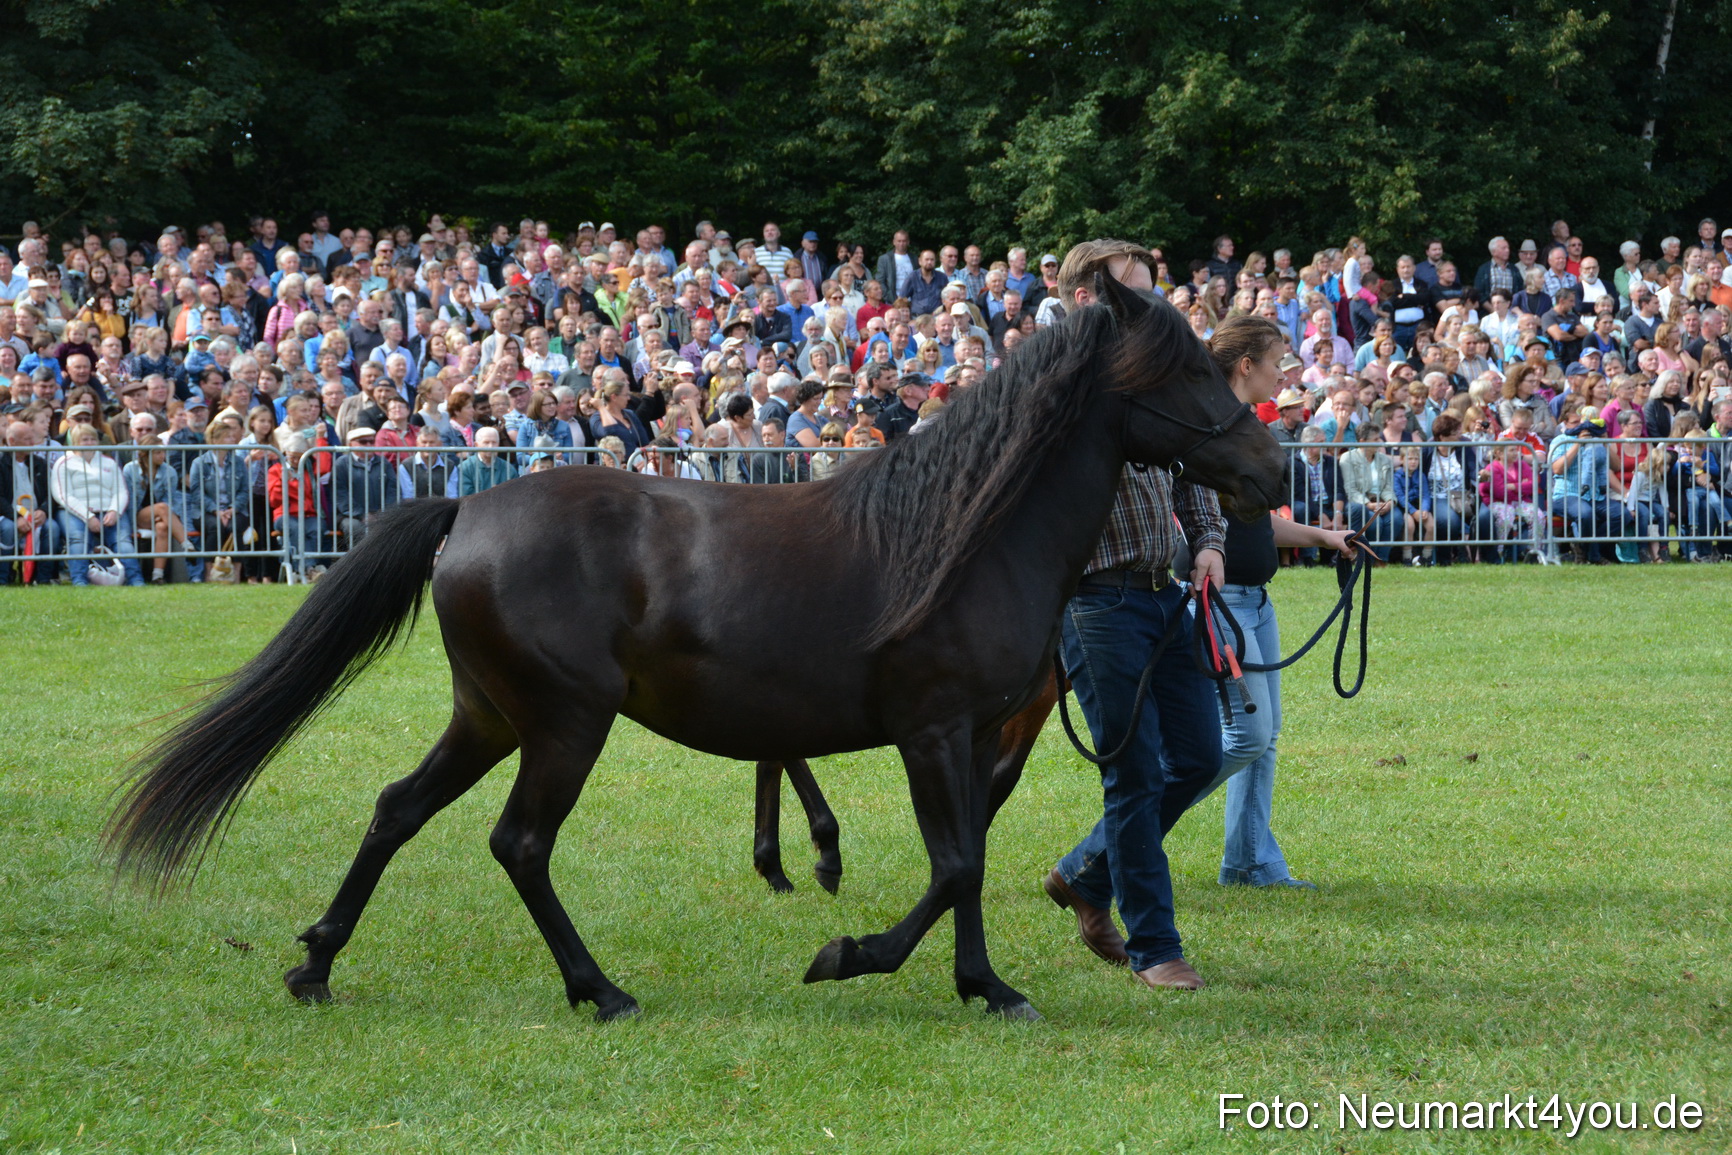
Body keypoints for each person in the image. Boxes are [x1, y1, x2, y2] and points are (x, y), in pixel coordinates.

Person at [1041, 238, 1226, 993]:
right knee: (1136, 772)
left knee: (1201, 755)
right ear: (1088, 299)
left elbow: (1194, 464)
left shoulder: (1151, 376)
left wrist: (1209, 541)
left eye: (1152, 293)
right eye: (1133, 294)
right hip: (1097, 599)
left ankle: (1087, 871)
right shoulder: (1052, 382)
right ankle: (1156, 945)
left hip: (1163, 590)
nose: (1150, 308)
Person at [1188, 316, 1355, 892]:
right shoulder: (1207, 434)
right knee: (1248, 738)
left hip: (1254, 602)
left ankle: (1249, 864)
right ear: (1246, 366)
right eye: (1279, 364)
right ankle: (1123, 826)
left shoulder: (1240, 430)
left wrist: (1323, 538)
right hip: (1220, 601)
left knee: (1264, 739)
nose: (1289, 375)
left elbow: (1257, 530)